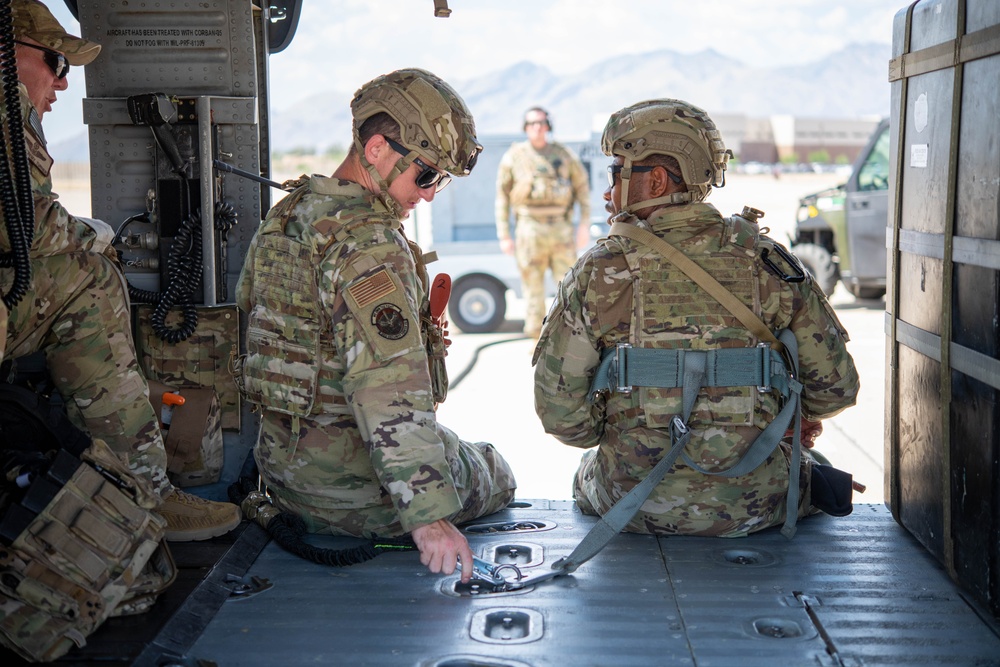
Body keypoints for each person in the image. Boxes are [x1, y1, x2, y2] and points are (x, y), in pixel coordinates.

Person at [532, 99, 860, 538]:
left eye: (616, 172)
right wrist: (783, 417)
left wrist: (618, 427)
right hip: (759, 505)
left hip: (631, 504)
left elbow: (562, 418)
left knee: (587, 470)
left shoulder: (600, 271)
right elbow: (835, 391)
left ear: (656, 180)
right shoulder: (767, 262)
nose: (608, 191)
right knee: (814, 467)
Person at [236, 68, 516, 580]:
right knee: (495, 468)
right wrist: (428, 518)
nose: (430, 193)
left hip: (284, 481)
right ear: (376, 150)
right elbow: (388, 390)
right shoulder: (370, 245)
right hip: (355, 498)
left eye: (440, 179)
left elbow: (254, 312)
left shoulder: (285, 216)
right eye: (425, 174)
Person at [1, 0, 241, 542]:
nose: (62, 84)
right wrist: (98, 235)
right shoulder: (6, 106)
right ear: (6, 51)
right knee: (90, 277)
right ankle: (144, 496)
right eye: (55, 63)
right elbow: (28, 226)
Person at [495, 106, 590, 339]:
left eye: (541, 123)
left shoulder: (564, 155)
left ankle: (566, 342)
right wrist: (504, 234)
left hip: (560, 229)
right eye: (532, 124)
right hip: (529, 229)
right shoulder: (514, 158)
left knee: (568, 289)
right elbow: (502, 197)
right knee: (533, 292)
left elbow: (582, 191)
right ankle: (535, 341)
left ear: (548, 126)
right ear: (525, 128)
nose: (537, 128)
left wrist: (583, 226)